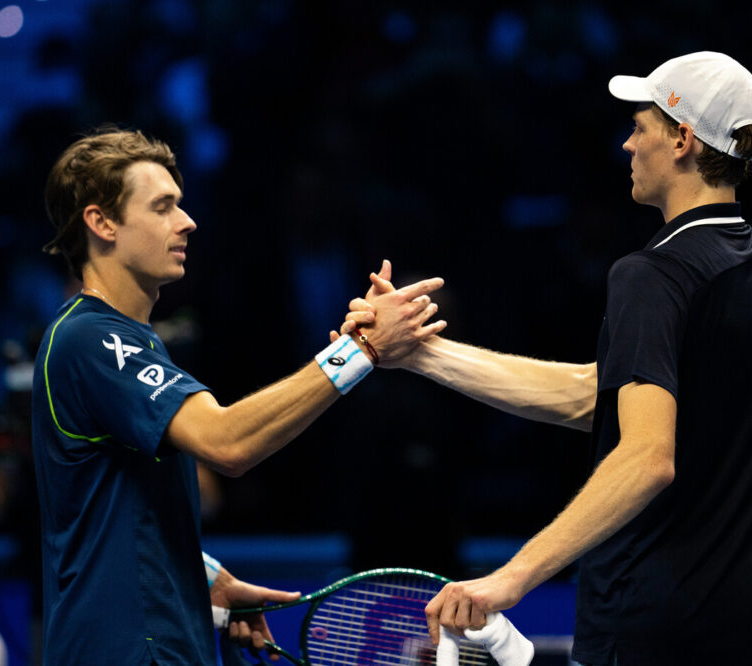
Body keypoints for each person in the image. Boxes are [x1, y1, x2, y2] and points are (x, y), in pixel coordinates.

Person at [343, 52, 752, 665]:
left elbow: (647, 455)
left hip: (658, 636)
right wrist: (420, 353)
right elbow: (602, 399)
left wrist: (509, 578)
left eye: (640, 127)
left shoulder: (653, 274)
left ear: (681, 140)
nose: (626, 144)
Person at [32, 127, 447, 665]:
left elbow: (116, 508)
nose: (187, 221)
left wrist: (203, 576)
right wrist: (361, 349)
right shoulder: (91, 338)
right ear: (102, 222)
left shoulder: (129, 340)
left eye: (180, 205)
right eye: (162, 207)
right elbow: (228, 442)